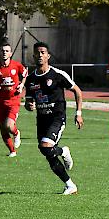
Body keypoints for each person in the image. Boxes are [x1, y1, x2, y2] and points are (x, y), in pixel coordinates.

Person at [24, 42, 84, 195]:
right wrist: (29, 105)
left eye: (43, 52)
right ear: (33, 56)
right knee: (47, 153)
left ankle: (63, 151)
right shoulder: (31, 79)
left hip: (57, 118)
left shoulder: (57, 75)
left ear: (48, 56)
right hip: (42, 120)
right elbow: (29, 101)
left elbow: (77, 91)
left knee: (46, 146)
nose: (40, 55)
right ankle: (70, 185)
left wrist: (78, 113)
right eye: (37, 53)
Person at [0, 42, 28, 157]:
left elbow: (25, 74)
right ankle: (12, 151)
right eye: (2, 51)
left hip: (14, 100)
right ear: (0, 53)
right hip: (0, 102)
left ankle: (16, 133)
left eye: (7, 51)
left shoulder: (16, 66)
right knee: (2, 128)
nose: (4, 53)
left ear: (10, 53)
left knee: (9, 125)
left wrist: (21, 85)